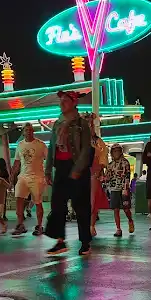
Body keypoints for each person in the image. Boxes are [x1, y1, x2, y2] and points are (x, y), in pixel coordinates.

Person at [44, 90, 92, 256]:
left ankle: (85, 242)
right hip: (61, 167)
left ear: (74, 103)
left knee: (80, 206)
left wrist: (78, 169)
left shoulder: (81, 124)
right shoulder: (57, 124)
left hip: (76, 167)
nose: (62, 103)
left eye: (65, 100)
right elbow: (52, 147)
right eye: (61, 101)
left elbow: (86, 149)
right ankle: (60, 241)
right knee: (57, 205)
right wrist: (48, 169)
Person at [11, 123, 48, 236]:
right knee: (18, 199)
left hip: (37, 177)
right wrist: (12, 174)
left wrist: (48, 174)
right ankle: (20, 225)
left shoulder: (40, 145)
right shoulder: (20, 145)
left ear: (33, 132)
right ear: (23, 132)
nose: (28, 132)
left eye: (30, 130)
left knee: (37, 202)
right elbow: (17, 161)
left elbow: (49, 159)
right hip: (23, 176)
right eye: (26, 130)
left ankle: (39, 226)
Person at [83, 113, 109, 237]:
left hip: (93, 173)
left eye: (91, 124)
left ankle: (91, 225)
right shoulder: (78, 140)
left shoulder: (98, 142)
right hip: (81, 173)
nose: (89, 126)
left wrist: (100, 169)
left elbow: (103, 156)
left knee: (93, 201)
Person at [105, 144, 134, 237]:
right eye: (114, 151)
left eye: (118, 151)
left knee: (126, 209)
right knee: (116, 209)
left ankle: (130, 220)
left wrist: (126, 188)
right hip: (114, 189)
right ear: (112, 153)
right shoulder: (110, 165)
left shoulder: (125, 162)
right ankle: (118, 229)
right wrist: (104, 179)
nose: (116, 153)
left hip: (123, 188)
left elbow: (127, 176)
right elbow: (107, 177)